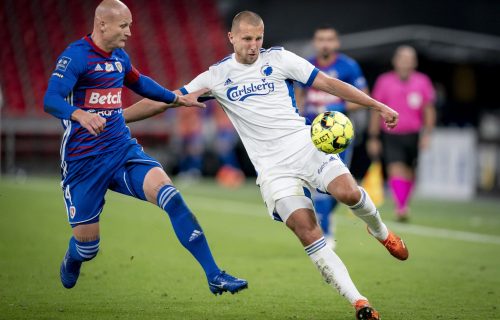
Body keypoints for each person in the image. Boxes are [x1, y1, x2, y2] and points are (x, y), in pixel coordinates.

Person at [123, 11, 408, 320]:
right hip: (272, 170)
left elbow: (328, 83)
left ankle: (380, 231)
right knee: (307, 229)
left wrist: (378, 106)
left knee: (350, 193)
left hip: (305, 146)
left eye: (258, 38)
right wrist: (117, 118)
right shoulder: (216, 76)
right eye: (247, 39)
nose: (254, 45)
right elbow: (165, 99)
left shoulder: (281, 59)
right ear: (232, 38)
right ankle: (359, 302)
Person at [43, 0, 247, 295]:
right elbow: (51, 100)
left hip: (122, 149)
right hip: (84, 161)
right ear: (102, 24)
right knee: (88, 248)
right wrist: (80, 114)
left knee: (171, 197)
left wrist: (175, 98)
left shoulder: (119, 58)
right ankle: (74, 257)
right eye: (123, 25)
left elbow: (142, 84)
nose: (129, 32)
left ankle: (214, 275)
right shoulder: (76, 57)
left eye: (131, 26)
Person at [295, 25, 370, 249]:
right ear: (315, 42)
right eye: (321, 39)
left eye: (329, 39)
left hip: (338, 135)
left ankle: (326, 217)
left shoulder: (348, 66)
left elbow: (363, 97)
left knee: (337, 184)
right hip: (311, 132)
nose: (325, 44)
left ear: (336, 43)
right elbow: (299, 96)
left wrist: (336, 104)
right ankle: (324, 229)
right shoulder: (306, 66)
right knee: (316, 183)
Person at [368, 45, 436, 222]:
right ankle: (401, 207)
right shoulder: (384, 81)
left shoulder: (423, 82)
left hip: (413, 134)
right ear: (395, 61)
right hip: (390, 134)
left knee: (409, 172)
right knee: (395, 169)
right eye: (402, 58)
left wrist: (427, 134)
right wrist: (373, 137)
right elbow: (375, 111)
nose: (405, 62)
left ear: (415, 62)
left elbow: (429, 110)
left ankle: (403, 203)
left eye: (409, 58)